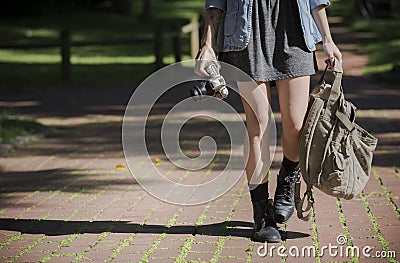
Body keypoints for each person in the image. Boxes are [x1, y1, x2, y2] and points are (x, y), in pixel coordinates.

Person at [195, 0, 342, 243]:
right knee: (259, 125)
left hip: (293, 27)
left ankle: (287, 178)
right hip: (246, 31)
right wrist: (207, 45)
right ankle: (262, 213)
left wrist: (327, 38)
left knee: (296, 127)